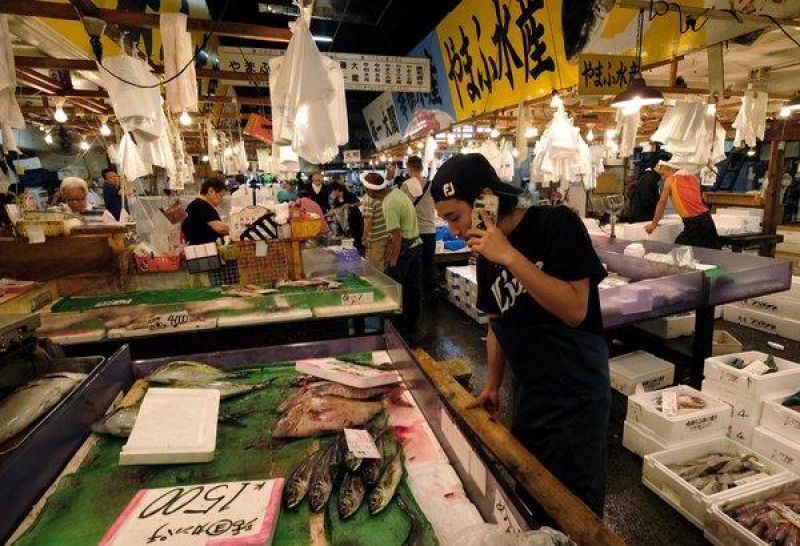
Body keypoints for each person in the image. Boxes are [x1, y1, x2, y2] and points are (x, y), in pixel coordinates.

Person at [431, 153, 610, 516]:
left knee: (574, 505)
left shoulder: (556, 224)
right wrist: (493, 385)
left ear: (485, 199)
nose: (453, 230)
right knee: (529, 492)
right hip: (530, 395)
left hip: (577, 398)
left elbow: (576, 310)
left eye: (454, 217)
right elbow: (498, 324)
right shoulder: (485, 257)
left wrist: (510, 256)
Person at [362, 172, 421, 331]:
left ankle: (396, 326)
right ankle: (412, 322)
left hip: (405, 248)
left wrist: (393, 259)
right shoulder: (397, 192)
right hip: (416, 244)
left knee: (394, 287)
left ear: (370, 191)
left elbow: (397, 236)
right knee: (412, 287)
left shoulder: (388, 204)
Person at [645, 161, 721, 248]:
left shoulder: (671, 180)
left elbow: (661, 203)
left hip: (694, 223)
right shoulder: (692, 177)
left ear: (672, 170)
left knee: (678, 251)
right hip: (707, 219)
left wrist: (654, 224)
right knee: (709, 255)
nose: (662, 178)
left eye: (663, 174)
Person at [401, 156, 437, 299]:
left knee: (415, 264)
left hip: (414, 232)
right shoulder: (431, 185)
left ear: (409, 168)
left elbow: (402, 208)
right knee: (429, 263)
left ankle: (419, 293)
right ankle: (432, 292)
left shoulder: (405, 186)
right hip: (430, 230)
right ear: (422, 168)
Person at [181, 176, 229, 245]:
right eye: (221, 196)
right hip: (203, 251)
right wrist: (235, 228)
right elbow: (220, 228)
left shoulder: (197, 205)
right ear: (211, 191)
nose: (221, 200)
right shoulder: (201, 206)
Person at [627, 150, 671, 223]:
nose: (669, 171)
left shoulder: (651, 178)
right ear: (658, 165)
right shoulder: (648, 179)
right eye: (667, 168)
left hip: (645, 221)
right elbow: (648, 203)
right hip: (641, 223)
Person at [330, 181, 364, 253]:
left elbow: (359, 203)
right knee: (348, 240)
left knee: (357, 239)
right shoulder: (336, 200)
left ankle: (360, 253)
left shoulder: (349, 195)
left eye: (332, 191)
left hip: (355, 220)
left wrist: (350, 205)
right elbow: (334, 210)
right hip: (345, 224)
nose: (332, 193)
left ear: (337, 190)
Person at [362, 190, 390, 272]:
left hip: (376, 238)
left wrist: (365, 237)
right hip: (386, 235)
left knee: (376, 266)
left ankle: (380, 284)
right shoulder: (383, 199)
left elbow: (368, 222)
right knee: (384, 263)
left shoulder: (370, 201)